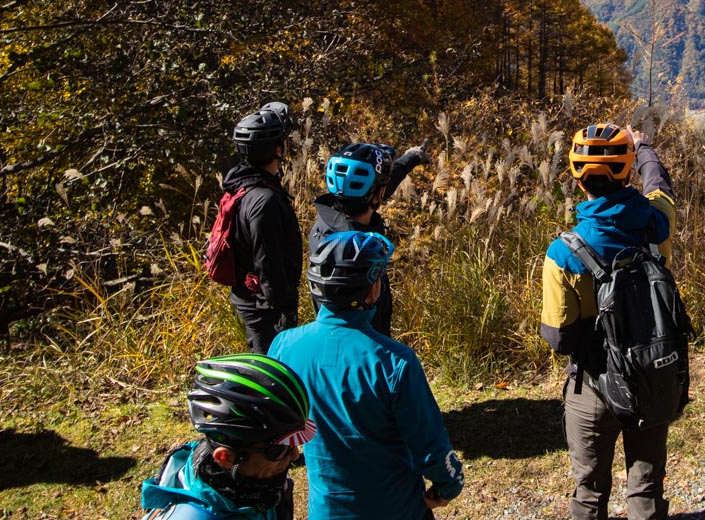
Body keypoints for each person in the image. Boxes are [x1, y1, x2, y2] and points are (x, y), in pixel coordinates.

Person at [269, 229, 464, 520]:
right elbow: (429, 442)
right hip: (397, 509)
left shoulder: (283, 347)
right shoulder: (395, 361)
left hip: (325, 511)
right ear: (373, 290)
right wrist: (449, 484)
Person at [541, 123, 678, 520]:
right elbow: (659, 183)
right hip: (653, 373)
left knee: (589, 492)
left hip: (594, 384)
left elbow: (560, 338)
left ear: (576, 174)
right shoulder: (657, 220)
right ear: (627, 169)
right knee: (647, 489)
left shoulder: (563, 252)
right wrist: (644, 146)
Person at [141, 353, 317, 520]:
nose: (294, 455)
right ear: (225, 458)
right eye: (278, 450)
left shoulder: (255, 483)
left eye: (293, 443)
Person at [308, 140, 427, 336]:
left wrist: (410, 158)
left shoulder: (327, 222)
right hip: (365, 348)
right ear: (379, 194)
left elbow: (380, 187)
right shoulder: (354, 250)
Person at [223, 101, 302, 354]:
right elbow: (267, 260)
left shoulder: (243, 184)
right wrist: (285, 307)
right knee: (270, 370)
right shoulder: (263, 200)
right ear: (277, 150)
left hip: (253, 298)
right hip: (265, 306)